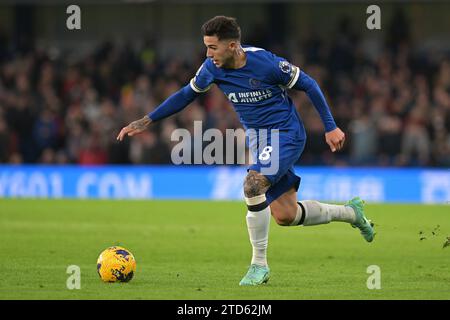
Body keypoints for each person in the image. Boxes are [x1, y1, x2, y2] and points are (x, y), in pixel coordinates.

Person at [117, 16, 375, 286]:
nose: (208, 54)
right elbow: (186, 94)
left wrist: (330, 127)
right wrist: (146, 120)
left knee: (253, 185)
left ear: (232, 46)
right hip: (260, 141)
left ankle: (259, 266)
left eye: (212, 47)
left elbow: (309, 84)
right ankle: (351, 213)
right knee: (286, 215)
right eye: (206, 47)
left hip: (286, 135)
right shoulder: (212, 68)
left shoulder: (266, 63)